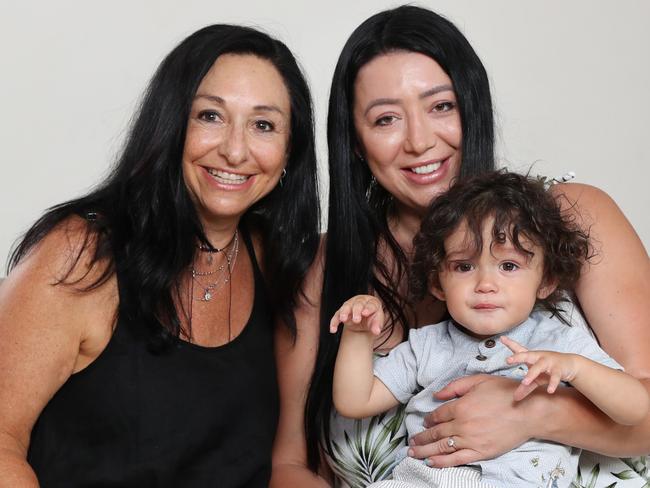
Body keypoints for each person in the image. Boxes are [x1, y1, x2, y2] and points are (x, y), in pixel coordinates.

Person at [271, 5, 650, 488]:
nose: (419, 140)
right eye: (386, 118)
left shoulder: (569, 216)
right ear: (355, 142)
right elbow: (289, 465)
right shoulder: (326, 267)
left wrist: (537, 415)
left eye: (441, 106)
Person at [0, 24, 320, 487]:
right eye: (210, 116)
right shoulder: (81, 254)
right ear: (171, 123)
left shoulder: (277, 261)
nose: (234, 150)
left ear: (290, 151)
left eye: (263, 125)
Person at [330, 171, 649, 488]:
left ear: (546, 281)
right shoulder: (429, 346)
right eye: (464, 267)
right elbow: (354, 401)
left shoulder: (561, 344)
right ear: (438, 283)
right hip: (424, 479)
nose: (485, 284)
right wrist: (358, 334)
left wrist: (577, 369)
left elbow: (636, 408)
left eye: (508, 266)